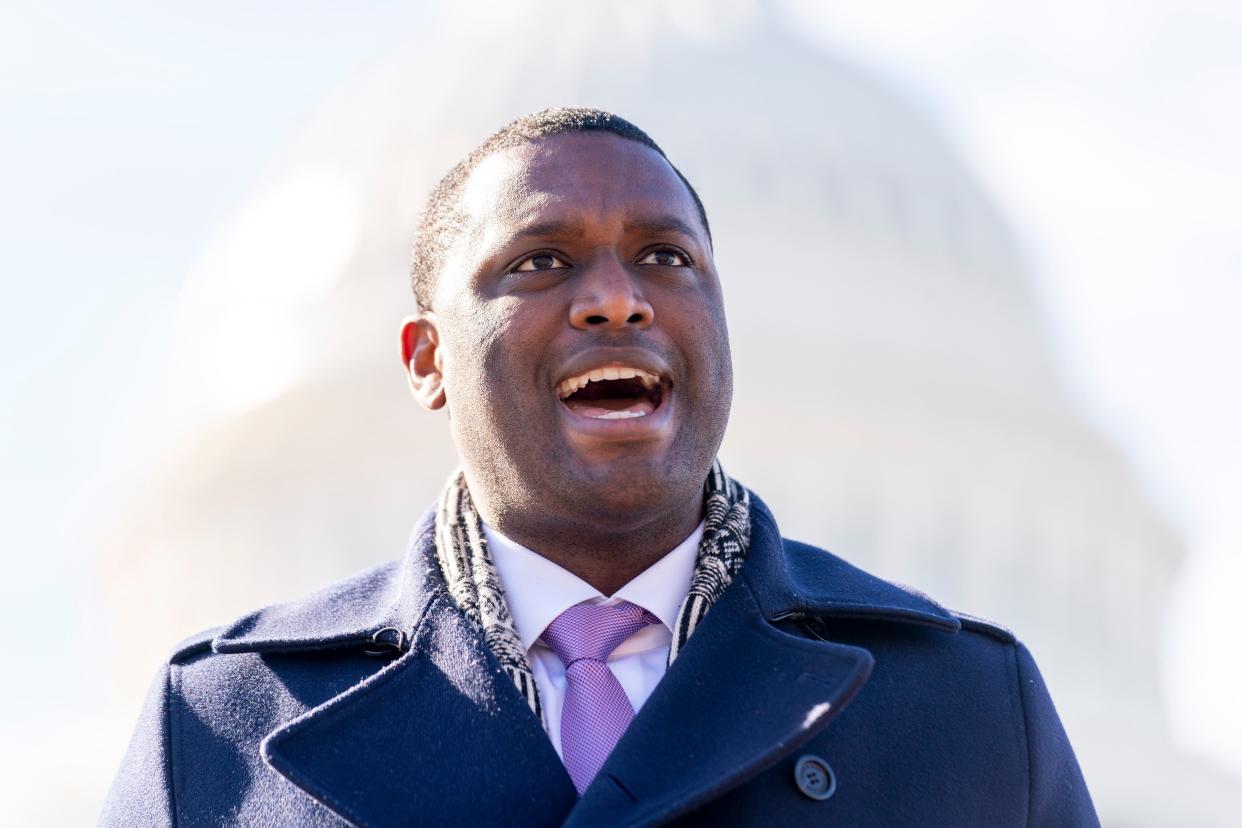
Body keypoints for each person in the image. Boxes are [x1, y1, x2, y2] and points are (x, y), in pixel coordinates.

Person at [102, 108, 1098, 827]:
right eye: (540, 261)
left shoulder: (964, 712)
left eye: (667, 258)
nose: (616, 300)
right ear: (426, 360)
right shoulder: (223, 728)